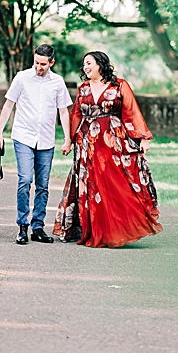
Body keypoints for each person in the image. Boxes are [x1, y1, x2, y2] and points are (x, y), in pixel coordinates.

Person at [53, 51, 162, 248]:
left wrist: (143, 138)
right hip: (87, 144)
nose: (85, 67)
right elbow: (76, 115)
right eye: (84, 64)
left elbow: (131, 111)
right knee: (93, 186)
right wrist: (68, 141)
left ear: (100, 64)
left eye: (89, 63)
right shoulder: (83, 88)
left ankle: (120, 228)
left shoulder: (119, 85)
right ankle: (97, 231)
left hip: (113, 142)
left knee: (114, 184)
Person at [0, 44, 73, 245]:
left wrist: (67, 139)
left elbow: (63, 111)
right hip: (23, 137)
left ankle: (38, 226)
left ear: (51, 63)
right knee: (24, 180)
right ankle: (22, 226)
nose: (38, 67)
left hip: (46, 140)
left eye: (43, 64)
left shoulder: (57, 82)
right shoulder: (21, 77)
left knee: (43, 185)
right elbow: (8, 104)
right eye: (36, 62)